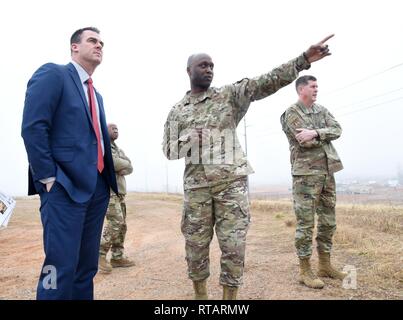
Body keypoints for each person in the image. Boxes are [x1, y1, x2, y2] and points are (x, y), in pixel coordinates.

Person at [162, 35, 335, 300]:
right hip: (197, 189)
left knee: (233, 246)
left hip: (231, 185)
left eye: (211, 65)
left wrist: (303, 60)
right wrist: (188, 138)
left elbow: (267, 81)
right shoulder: (177, 111)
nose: (209, 69)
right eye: (203, 65)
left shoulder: (228, 96)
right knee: (196, 245)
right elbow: (169, 150)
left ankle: (229, 299)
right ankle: (200, 296)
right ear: (189, 71)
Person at [21, 27, 117, 300]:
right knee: (59, 269)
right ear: (74, 47)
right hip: (63, 188)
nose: (99, 45)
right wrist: (47, 178)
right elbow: (33, 127)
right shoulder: (54, 74)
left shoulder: (96, 96)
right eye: (92, 40)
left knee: (86, 269)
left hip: (96, 190)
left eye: (101, 42)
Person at [280, 75, 346, 289]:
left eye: (317, 86)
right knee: (306, 224)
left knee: (328, 221)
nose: (317, 89)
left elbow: (337, 129)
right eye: (313, 86)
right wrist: (318, 136)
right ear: (301, 90)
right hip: (306, 176)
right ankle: (305, 270)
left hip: (327, 172)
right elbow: (303, 141)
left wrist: (316, 132)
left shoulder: (322, 110)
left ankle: (325, 265)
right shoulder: (291, 114)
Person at [99, 123, 135, 273]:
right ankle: (100, 253)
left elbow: (130, 166)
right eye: (112, 128)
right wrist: (121, 166)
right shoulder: (103, 147)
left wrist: (122, 165)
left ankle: (117, 256)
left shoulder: (118, 149)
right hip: (110, 191)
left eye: (117, 128)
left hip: (120, 192)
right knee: (115, 222)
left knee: (122, 225)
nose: (116, 130)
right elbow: (114, 163)